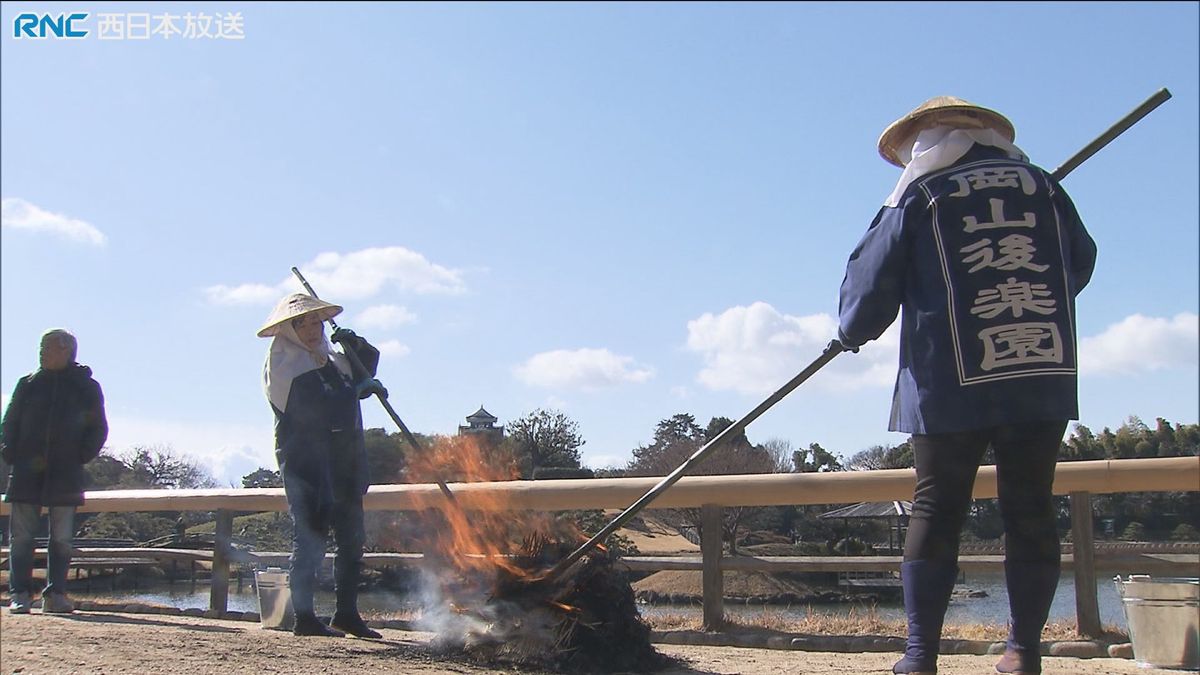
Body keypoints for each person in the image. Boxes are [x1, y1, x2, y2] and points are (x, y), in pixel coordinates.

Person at [836, 96, 1097, 675]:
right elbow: (1080, 262)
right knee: (1030, 506)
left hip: (948, 376)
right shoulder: (1044, 187)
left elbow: (868, 291)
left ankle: (920, 656)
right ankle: (1023, 652)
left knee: (938, 506)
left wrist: (852, 332)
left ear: (922, 143)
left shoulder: (921, 194)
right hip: (1037, 367)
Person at [258, 293, 387, 638]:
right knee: (310, 537)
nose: (313, 328)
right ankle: (304, 617)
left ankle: (347, 612)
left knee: (351, 538)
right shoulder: (285, 366)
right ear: (290, 328)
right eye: (304, 322)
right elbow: (313, 406)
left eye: (316, 321)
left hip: (344, 460)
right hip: (308, 463)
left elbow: (366, 362)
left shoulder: (332, 359)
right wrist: (358, 391)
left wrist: (354, 342)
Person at [2, 329, 108, 615]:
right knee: (21, 538)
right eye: (41, 347)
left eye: (48, 347)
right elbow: (8, 423)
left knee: (61, 538)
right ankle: (20, 594)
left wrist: (80, 456)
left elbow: (98, 428)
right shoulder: (28, 384)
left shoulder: (86, 387)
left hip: (65, 474)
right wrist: (9, 453)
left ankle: (55, 595)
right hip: (25, 472)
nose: (42, 352)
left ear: (66, 352)